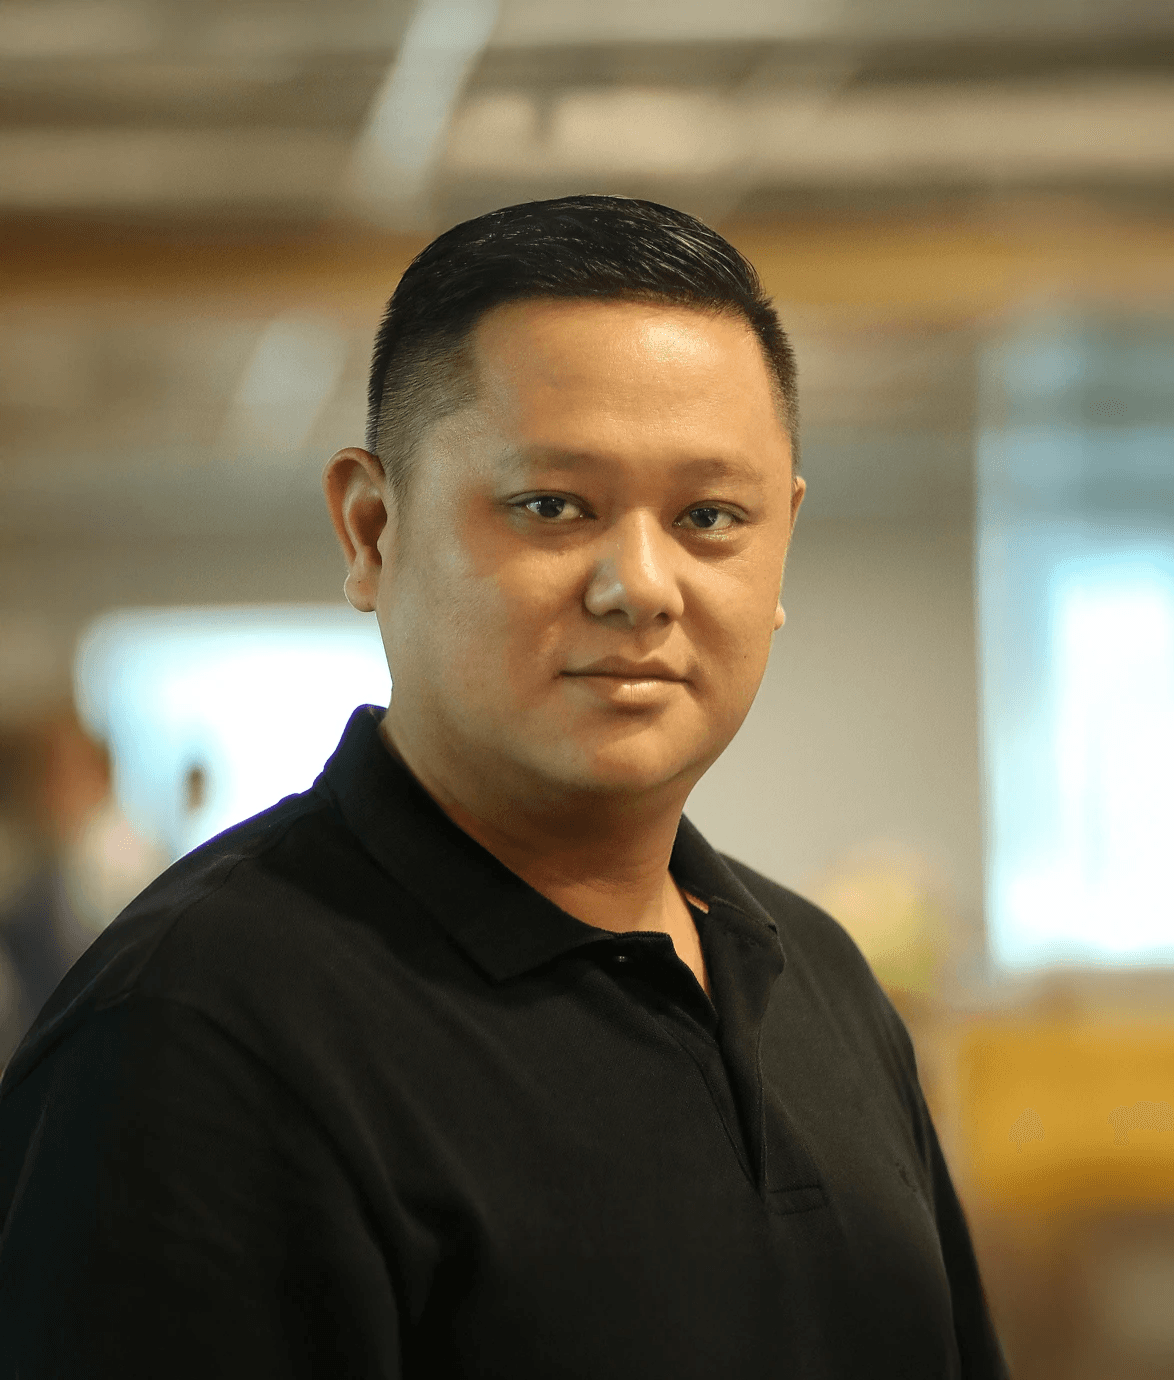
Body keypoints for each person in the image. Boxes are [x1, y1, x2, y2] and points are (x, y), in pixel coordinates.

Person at [0, 197, 1010, 1378]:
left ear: (780, 539)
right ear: (371, 530)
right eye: (553, 506)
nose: (641, 586)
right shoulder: (195, 1033)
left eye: (708, 517)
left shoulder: (819, 981)